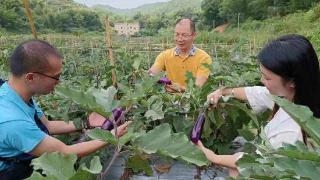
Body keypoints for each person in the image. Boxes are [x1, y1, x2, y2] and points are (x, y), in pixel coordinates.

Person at [0, 40, 131, 180]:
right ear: (31, 77)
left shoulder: (14, 94)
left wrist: (86, 123)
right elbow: (66, 152)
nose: (59, 82)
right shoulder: (13, 121)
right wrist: (112, 136)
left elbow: (48, 125)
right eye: (56, 77)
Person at [197, 34, 320, 176]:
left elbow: (256, 163)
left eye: (267, 77)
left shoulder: (290, 133)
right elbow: (255, 93)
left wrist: (211, 157)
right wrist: (223, 92)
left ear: (293, 81)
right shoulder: (290, 99)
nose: (262, 80)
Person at [148, 18, 212, 92]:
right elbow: (153, 72)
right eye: (177, 34)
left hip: (193, 101)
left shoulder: (204, 58)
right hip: (169, 101)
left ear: (194, 35)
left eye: (184, 35)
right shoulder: (165, 56)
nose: (180, 39)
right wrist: (152, 74)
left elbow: (197, 88)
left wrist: (180, 88)